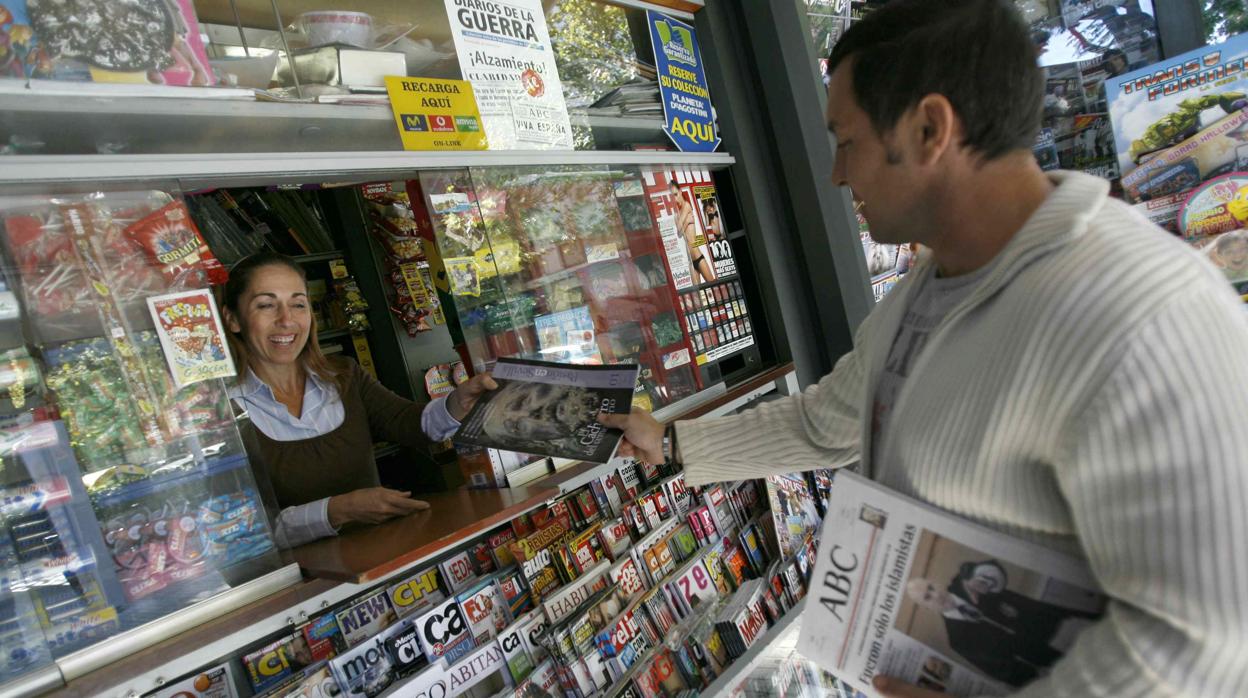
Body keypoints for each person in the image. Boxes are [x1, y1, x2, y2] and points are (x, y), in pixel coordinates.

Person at [600, 1, 1248, 696]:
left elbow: (1203, 639)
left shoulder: (1143, 311)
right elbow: (829, 423)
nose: (836, 176)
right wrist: (672, 444)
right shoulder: (929, 287)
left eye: (845, 141)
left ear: (930, 129)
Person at [221, 252, 497, 548]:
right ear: (233, 318)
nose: (286, 320)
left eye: (298, 304)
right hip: (308, 586)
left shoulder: (344, 375)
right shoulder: (222, 412)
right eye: (266, 305)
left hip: (379, 559)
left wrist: (457, 403)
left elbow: (408, 422)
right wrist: (336, 510)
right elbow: (242, 534)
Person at [904, 574, 1098, 686]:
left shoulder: (971, 585)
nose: (937, 594)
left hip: (1060, 626)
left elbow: (1026, 602)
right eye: (928, 597)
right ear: (926, 607)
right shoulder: (958, 640)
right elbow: (1003, 671)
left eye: (931, 587)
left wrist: (1081, 615)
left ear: (935, 581)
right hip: (1049, 661)